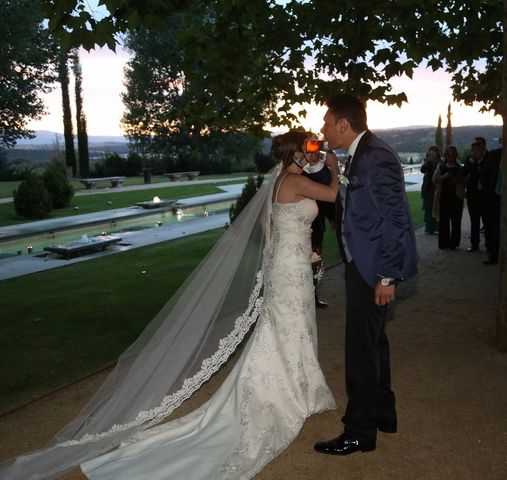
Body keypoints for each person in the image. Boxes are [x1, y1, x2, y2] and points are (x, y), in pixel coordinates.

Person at [0, 131, 340, 480]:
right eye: (309, 146)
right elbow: (330, 193)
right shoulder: (296, 182)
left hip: (286, 262)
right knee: (291, 327)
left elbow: (265, 224)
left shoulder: (280, 180)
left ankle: (301, 387)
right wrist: (332, 164)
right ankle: (290, 393)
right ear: (297, 152)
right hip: (289, 267)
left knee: (288, 328)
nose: (314, 150)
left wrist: (289, 245)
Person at [314, 93, 418, 456]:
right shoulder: (358, 155)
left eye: (327, 122)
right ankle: (383, 415)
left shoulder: (376, 156)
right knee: (375, 343)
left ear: (344, 124)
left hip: (373, 267)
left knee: (360, 349)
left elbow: (396, 218)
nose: (323, 128)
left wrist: (387, 276)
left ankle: (359, 431)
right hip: (362, 263)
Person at [303, 147, 336, 308]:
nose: (312, 150)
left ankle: (313, 295)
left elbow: (326, 197)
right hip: (299, 225)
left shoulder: (322, 171)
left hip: (317, 225)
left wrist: (333, 218)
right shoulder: (296, 171)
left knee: (315, 261)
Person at [432, 145, 465, 249]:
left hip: (457, 197)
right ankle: (443, 243)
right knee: (444, 222)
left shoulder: (460, 168)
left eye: (453, 154)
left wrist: (458, 180)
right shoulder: (440, 167)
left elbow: (466, 182)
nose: (450, 155)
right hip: (444, 197)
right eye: (448, 153)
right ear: (445, 155)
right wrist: (444, 177)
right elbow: (434, 180)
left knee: (456, 222)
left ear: (456, 155)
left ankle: (454, 244)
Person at [421, 145, 441, 234]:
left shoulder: (440, 161)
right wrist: (428, 160)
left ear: (437, 152)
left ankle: (437, 227)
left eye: (434, 151)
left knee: (436, 208)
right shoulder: (428, 162)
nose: (432, 153)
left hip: (436, 188)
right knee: (428, 208)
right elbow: (423, 170)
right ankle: (429, 228)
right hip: (428, 189)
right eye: (430, 151)